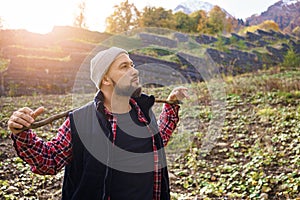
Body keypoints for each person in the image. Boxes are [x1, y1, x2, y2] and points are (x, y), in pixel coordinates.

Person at [8, 46, 189, 200]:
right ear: (105, 79)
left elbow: (157, 140)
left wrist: (171, 106)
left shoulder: (143, 113)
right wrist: (21, 133)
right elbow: (50, 160)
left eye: (132, 65)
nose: (135, 71)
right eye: (124, 66)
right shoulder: (80, 121)